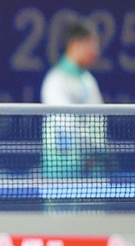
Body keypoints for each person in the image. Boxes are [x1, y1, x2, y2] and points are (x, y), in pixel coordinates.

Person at [41, 20, 107, 177]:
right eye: (91, 44)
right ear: (75, 44)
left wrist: (96, 151)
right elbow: (65, 122)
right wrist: (90, 147)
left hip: (92, 168)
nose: (96, 52)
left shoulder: (88, 80)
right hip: (61, 168)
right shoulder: (55, 80)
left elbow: (98, 118)